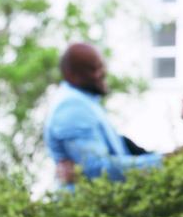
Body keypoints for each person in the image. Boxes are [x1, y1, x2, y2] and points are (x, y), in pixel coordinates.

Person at [45, 43, 162, 186]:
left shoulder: (85, 101)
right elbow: (97, 169)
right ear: (71, 75)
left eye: (102, 66)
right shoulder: (72, 106)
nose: (103, 72)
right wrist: (161, 162)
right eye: (94, 68)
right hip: (85, 205)